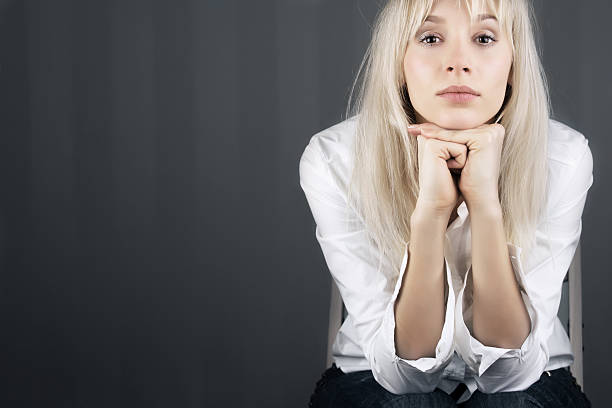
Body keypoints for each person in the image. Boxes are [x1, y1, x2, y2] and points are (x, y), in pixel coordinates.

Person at [299, 0, 593, 406]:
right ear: (399, 61)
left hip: (534, 378)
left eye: (484, 38)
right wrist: (432, 213)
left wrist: (486, 205)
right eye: (431, 37)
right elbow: (403, 377)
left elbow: (511, 373)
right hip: (372, 375)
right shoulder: (336, 158)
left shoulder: (562, 155)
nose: (458, 64)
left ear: (513, 63)